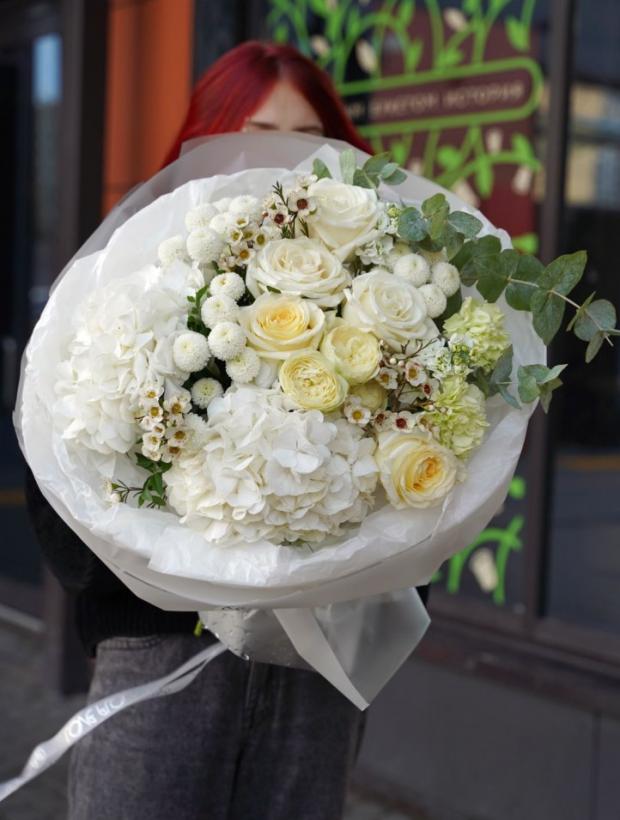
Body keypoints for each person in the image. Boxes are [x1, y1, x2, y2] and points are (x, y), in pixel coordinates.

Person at [26, 41, 430, 820]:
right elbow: (57, 467)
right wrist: (166, 562)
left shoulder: (379, 285)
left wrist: (356, 552)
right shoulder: (132, 268)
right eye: (258, 131)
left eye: (310, 135)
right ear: (204, 138)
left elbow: (427, 460)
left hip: (314, 660)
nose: (287, 155)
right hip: (161, 649)